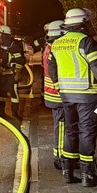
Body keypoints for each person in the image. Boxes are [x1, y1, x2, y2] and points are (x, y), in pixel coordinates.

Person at [48, 7, 97, 186]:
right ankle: (88, 175)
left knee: (71, 130)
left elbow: (51, 68)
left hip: (66, 95)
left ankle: (68, 172)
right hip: (88, 95)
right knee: (87, 131)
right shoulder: (86, 42)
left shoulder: (57, 43)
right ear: (84, 22)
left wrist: (58, 86)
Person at [42, 20, 66, 170]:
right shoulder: (54, 49)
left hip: (53, 94)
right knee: (62, 126)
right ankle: (60, 157)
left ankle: (61, 155)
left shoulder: (49, 47)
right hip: (57, 95)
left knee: (61, 125)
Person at [0, 25, 26, 120]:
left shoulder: (14, 45)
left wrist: (18, 72)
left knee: (13, 93)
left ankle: (15, 112)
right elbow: (3, 57)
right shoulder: (4, 44)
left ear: (3, 34)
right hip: (4, 73)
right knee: (1, 93)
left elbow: (20, 60)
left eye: (0, 34)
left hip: (12, 73)